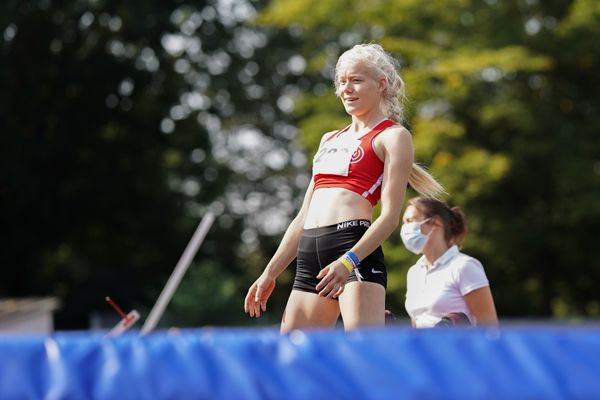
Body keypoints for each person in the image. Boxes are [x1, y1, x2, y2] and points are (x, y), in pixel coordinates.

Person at [244, 43, 444, 332]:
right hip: (310, 252)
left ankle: (411, 342)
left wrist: (348, 262)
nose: (347, 89)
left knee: (363, 360)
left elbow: (388, 218)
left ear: (381, 84)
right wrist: (269, 273)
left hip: (352, 249)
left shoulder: (393, 136)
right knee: (292, 357)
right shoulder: (329, 139)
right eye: (341, 82)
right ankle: (391, 331)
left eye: (356, 80)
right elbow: (302, 218)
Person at [402, 197, 498, 328]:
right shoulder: (414, 272)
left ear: (436, 222)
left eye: (410, 221)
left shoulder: (464, 266)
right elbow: (417, 322)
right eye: (404, 223)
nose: (405, 228)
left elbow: (490, 327)